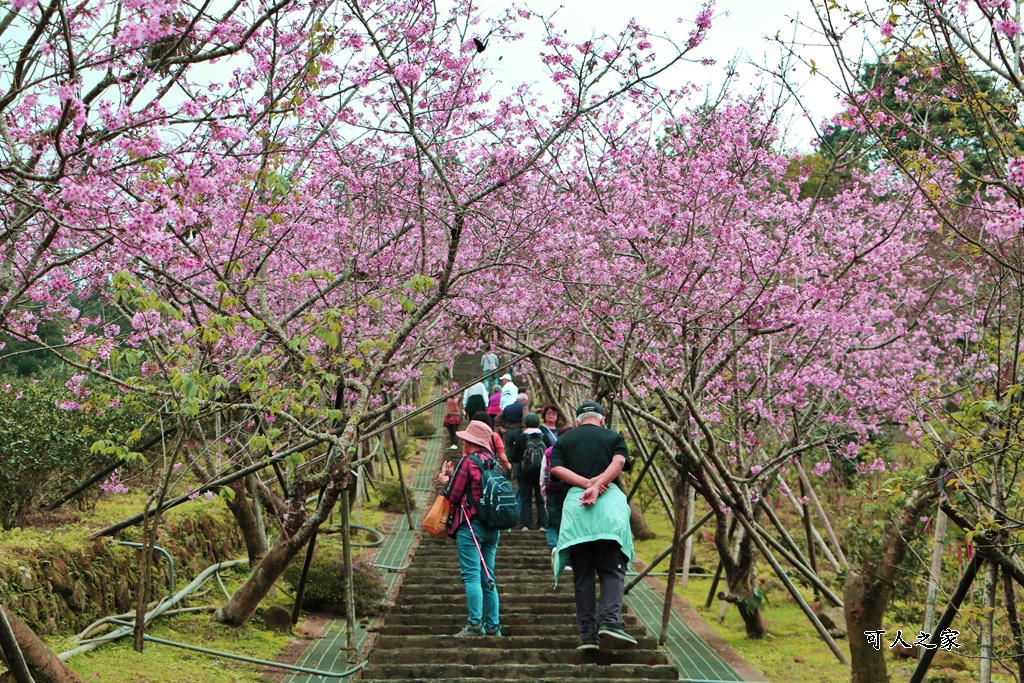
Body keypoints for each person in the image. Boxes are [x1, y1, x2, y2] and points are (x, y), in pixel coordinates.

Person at [550, 401, 636, 651]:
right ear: (602, 419)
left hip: (577, 514)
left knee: (583, 575)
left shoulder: (564, 440)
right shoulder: (613, 437)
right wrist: (598, 485)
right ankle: (610, 621)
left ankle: (587, 635)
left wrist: (585, 484)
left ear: (577, 421)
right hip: (608, 514)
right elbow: (619, 463)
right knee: (611, 569)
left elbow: (556, 468)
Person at [437, 420, 505, 637]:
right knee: (488, 575)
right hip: (493, 527)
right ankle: (493, 625)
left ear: (470, 441)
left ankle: (475, 624)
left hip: (470, 526)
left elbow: (453, 494)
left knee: (472, 576)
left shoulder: (468, 462)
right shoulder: (495, 464)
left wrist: (444, 481)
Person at [510, 412, 551, 532]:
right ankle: (543, 524)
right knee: (541, 498)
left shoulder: (522, 438)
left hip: (525, 474)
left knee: (525, 498)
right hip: (541, 473)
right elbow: (549, 454)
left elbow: (514, 457)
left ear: (526, 424)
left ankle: (525, 525)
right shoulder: (545, 437)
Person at [540, 423, 573, 558]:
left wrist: (544, 494)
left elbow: (543, 475)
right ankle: (568, 559)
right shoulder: (576, 451)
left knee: (553, 524)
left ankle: (553, 546)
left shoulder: (550, 451)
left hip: (553, 490)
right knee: (570, 524)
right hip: (572, 490)